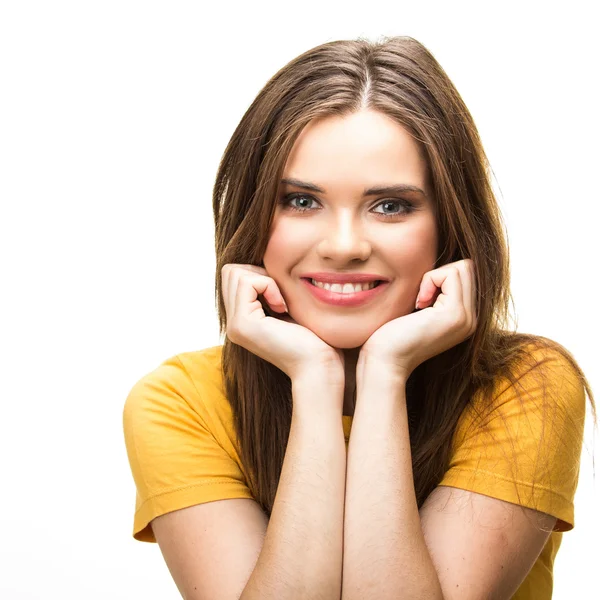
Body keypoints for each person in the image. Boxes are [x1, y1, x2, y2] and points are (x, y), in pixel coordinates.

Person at [122, 35, 596, 599]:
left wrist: (384, 372)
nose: (343, 245)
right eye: (301, 200)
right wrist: (315, 380)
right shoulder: (179, 402)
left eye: (390, 205)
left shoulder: (525, 387)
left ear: (449, 225)